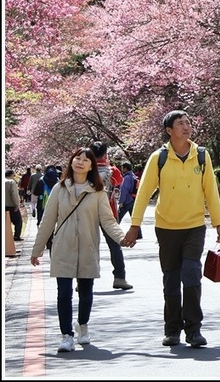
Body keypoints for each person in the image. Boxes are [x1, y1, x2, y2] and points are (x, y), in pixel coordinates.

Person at [122, 110, 220, 349]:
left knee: (191, 273)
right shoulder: (158, 158)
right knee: (171, 279)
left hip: (194, 226)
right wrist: (134, 225)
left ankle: (194, 329)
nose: (186, 127)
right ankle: (172, 330)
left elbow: (211, 190)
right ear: (169, 130)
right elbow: (144, 193)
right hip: (166, 227)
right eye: (180, 123)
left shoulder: (201, 156)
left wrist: (218, 222)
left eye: (188, 122)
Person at [30, 147, 127, 353]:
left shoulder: (98, 191)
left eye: (85, 160)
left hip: (87, 247)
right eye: (77, 158)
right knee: (64, 293)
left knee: (85, 292)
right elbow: (48, 221)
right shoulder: (59, 189)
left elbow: (108, 221)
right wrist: (37, 250)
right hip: (63, 248)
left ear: (92, 166)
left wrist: (122, 238)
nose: (80, 162)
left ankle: (82, 325)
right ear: (71, 162)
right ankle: (66, 336)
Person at [90, 142, 133, 290]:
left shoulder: (86, 169)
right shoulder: (112, 171)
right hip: (108, 213)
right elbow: (119, 181)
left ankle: (84, 279)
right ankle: (119, 278)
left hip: (88, 213)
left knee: (88, 246)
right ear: (105, 154)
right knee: (114, 246)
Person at [5, 169, 24, 241]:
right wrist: (17, 204)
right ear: (11, 174)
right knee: (18, 221)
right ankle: (16, 236)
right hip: (11, 205)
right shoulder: (11, 182)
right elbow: (14, 194)